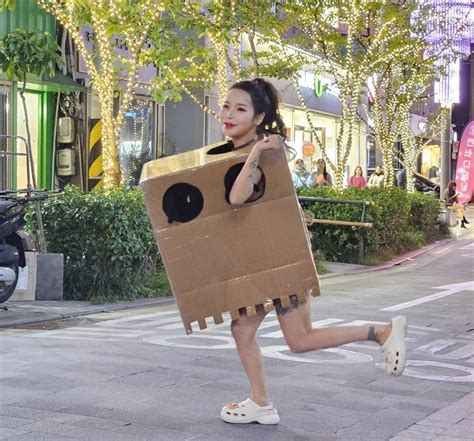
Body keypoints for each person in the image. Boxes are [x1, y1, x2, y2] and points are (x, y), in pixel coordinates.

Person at [219, 77, 408, 425]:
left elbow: (237, 197)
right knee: (242, 330)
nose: (228, 114)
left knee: (300, 339)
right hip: (267, 261)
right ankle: (260, 403)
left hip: (282, 262)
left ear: (258, 117)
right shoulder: (244, 149)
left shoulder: (263, 150)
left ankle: (381, 332)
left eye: (240, 109)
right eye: (226, 106)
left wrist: (257, 152)